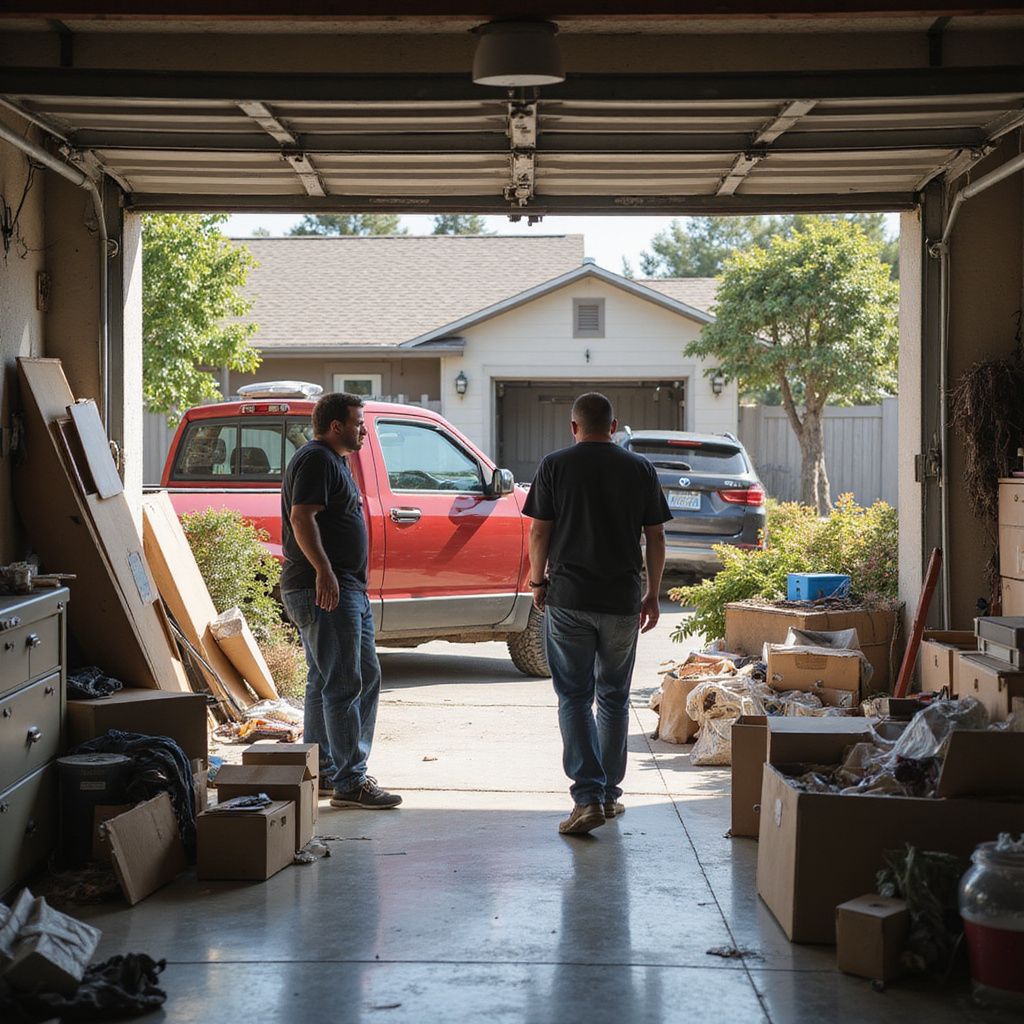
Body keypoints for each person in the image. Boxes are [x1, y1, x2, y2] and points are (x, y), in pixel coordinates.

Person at [523, 392, 670, 835]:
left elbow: (538, 531)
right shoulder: (639, 468)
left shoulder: (554, 465)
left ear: (574, 427)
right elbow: (656, 538)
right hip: (622, 600)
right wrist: (653, 593)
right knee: (613, 697)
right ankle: (607, 797)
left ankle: (586, 797)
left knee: (573, 696)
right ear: (613, 425)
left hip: (568, 598)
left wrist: (537, 582)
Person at [280, 392, 401, 810]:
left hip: (338, 586)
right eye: (358, 423)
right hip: (328, 588)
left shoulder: (331, 460)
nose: (364, 430)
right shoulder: (316, 459)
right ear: (336, 426)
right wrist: (325, 571)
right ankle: (351, 780)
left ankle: (325, 770)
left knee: (329, 681)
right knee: (350, 681)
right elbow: (301, 517)